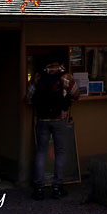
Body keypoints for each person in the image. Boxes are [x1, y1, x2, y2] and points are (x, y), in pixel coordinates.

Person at [27, 56, 79, 200]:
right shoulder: (66, 76)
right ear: (60, 62)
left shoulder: (38, 76)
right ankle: (57, 187)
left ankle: (39, 188)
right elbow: (76, 94)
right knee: (60, 152)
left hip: (42, 119)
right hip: (60, 118)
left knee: (41, 152)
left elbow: (29, 97)